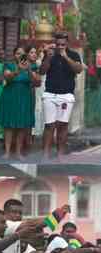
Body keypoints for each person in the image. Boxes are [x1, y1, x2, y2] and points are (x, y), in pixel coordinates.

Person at [39, 31, 83, 161]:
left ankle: (60, 154)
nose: (60, 46)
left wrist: (65, 57)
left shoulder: (74, 54)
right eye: (58, 44)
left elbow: (78, 70)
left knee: (63, 125)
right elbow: (42, 71)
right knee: (49, 125)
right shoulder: (50, 54)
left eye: (62, 44)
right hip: (50, 94)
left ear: (67, 43)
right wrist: (47, 57)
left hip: (66, 95)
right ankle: (45, 154)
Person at [0, 47, 39, 161]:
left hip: (24, 98)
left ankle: (18, 152)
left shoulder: (32, 66)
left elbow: (36, 82)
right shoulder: (8, 65)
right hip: (10, 96)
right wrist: (18, 70)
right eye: (17, 53)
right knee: (9, 125)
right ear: (14, 55)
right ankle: (7, 151)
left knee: (21, 126)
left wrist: (29, 70)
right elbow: (7, 77)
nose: (20, 55)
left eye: (22, 53)